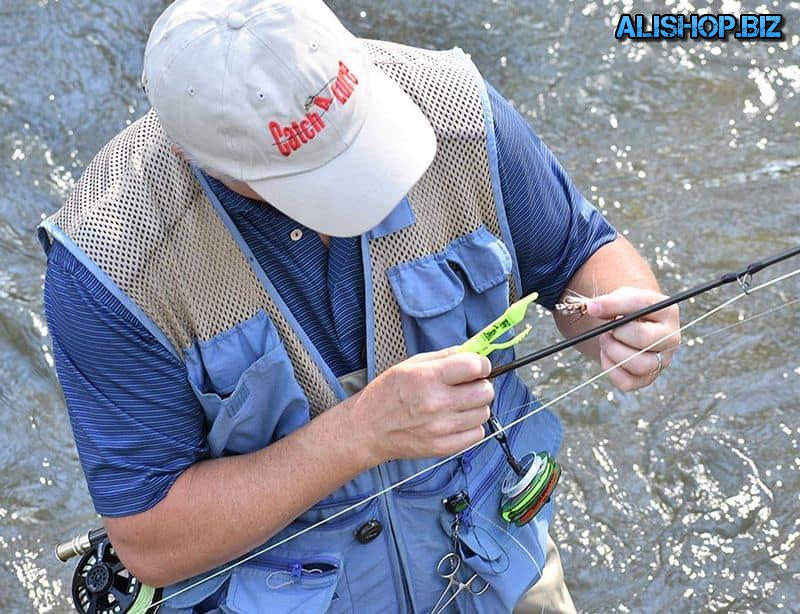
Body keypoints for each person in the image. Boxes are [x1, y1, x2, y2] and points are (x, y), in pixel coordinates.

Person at [39, 0, 680, 612]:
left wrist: (622, 320)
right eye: (307, 177)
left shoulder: (454, 104)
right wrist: (359, 436)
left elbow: (579, 256)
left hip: (494, 563)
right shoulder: (110, 264)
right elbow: (151, 540)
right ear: (193, 156)